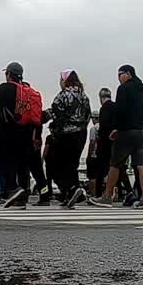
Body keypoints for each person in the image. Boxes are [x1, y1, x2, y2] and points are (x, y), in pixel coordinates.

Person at [87, 65, 143, 209]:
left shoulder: (123, 88)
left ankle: (107, 197)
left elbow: (120, 110)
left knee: (115, 163)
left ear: (128, 74)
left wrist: (116, 128)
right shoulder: (141, 90)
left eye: (120, 74)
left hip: (127, 131)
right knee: (141, 165)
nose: (119, 78)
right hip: (141, 131)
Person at [0, 62, 32, 208]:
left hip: (6, 133)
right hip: (24, 134)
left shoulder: (5, 88)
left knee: (1, 162)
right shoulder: (26, 90)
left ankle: (13, 188)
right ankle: (20, 197)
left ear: (8, 74)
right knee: (20, 166)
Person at [49, 69, 92, 207]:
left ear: (64, 81)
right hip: (81, 134)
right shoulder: (84, 96)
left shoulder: (63, 95)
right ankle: (72, 192)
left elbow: (55, 113)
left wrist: (55, 129)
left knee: (57, 165)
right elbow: (88, 116)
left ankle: (71, 189)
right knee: (72, 164)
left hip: (66, 135)